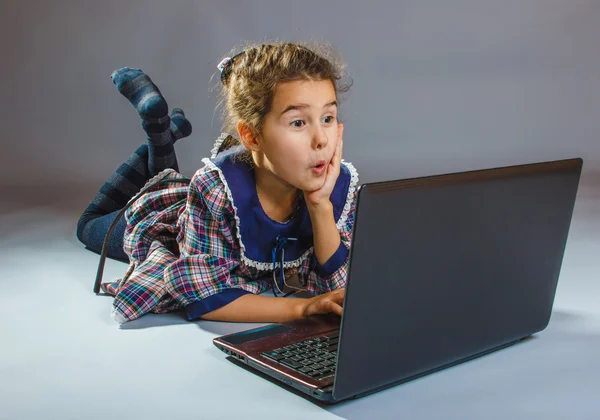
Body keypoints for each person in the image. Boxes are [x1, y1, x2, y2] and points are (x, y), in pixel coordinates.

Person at [76, 42, 359, 325]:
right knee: (87, 225)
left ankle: (163, 132)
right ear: (252, 136)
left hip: (199, 209)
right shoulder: (216, 191)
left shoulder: (335, 184)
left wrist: (319, 204)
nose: (322, 139)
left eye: (328, 118)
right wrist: (303, 309)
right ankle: (158, 134)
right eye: (298, 123)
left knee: (165, 173)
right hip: (165, 220)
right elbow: (206, 297)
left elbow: (339, 286)